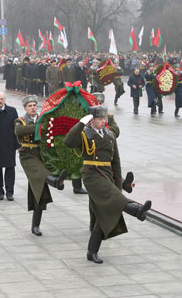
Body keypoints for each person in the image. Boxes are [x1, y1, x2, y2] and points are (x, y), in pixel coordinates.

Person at [64, 105, 150, 264]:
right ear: (92, 120)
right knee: (109, 204)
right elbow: (68, 141)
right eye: (100, 119)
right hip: (91, 174)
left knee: (105, 215)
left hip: (107, 174)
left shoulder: (110, 135)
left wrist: (118, 184)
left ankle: (92, 251)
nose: (104, 121)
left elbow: (116, 162)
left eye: (105, 118)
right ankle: (135, 210)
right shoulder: (85, 134)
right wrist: (81, 123)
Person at [14, 95, 67, 236]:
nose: (32, 108)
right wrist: (39, 127)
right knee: (40, 173)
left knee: (39, 191)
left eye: (34, 105)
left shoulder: (43, 119)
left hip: (42, 154)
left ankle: (35, 225)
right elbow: (19, 132)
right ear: (25, 108)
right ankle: (55, 181)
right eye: (29, 106)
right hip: (27, 155)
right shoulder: (20, 121)